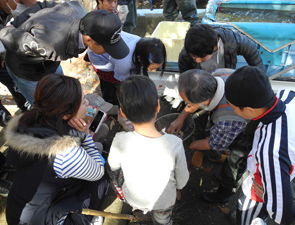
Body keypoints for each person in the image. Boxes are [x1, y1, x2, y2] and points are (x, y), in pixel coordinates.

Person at [4, 74, 110, 225]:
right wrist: (85, 136)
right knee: (102, 178)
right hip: (40, 219)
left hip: (19, 209)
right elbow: (97, 172)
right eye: (83, 101)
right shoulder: (66, 153)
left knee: (98, 149)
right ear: (67, 114)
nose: (88, 103)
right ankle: (83, 219)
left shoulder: (31, 120)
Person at [0, 2, 129, 105]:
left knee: (61, 92)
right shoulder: (51, 45)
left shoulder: (80, 9)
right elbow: (13, 39)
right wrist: (17, 25)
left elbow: (43, 5)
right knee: (43, 104)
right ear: (89, 40)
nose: (108, 53)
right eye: (107, 48)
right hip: (27, 70)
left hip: (49, 61)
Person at [107, 75, 189, 225]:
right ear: (158, 106)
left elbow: (113, 166)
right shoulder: (175, 143)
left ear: (123, 113)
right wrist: (177, 188)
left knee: (138, 203)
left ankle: (140, 211)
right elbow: (182, 181)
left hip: (134, 198)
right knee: (163, 218)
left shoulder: (119, 140)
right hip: (163, 201)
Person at [167, 68, 258, 204]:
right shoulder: (218, 75)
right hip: (238, 122)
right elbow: (193, 105)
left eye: (189, 102)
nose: (188, 105)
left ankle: (223, 196)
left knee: (233, 168)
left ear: (204, 102)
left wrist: (187, 145)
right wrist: (180, 118)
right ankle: (221, 177)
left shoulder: (227, 119)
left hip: (249, 135)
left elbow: (214, 143)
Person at [225, 66, 295, 225]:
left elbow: (285, 215)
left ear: (251, 110)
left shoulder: (270, 153)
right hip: (277, 173)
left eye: (233, 108)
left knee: (247, 217)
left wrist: (268, 196)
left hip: (256, 196)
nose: (232, 110)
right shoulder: (288, 95)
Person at [85, 36, 166, 104]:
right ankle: (112, 102)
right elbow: (122, 81)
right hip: (99, 57)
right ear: (139, 59)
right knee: (113, 85)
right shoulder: (124, 61)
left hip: (118, 58)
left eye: (157, 68)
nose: (154, 71)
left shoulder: (145, 47)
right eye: (151, 68)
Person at [179, 23, 264, 74]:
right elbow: (187, 81)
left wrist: (261, 80)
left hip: (225, 80)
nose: (197, 61)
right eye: (194, 57)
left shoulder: (232, 40)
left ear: (213, 47)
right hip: (203, 84)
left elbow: (252, 52)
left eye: (200, 57)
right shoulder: (185, 56)